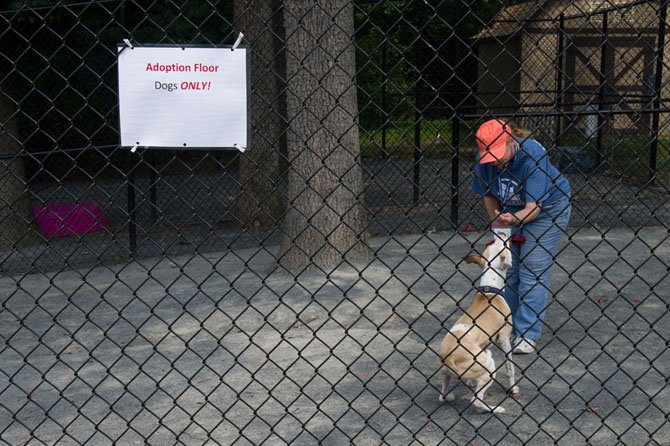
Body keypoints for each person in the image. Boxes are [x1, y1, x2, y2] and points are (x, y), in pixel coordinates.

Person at [471, 119, 571, 354]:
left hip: (547, 210)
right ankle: (506, 325)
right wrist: (499, 228)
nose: (494, 161)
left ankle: (527, 333)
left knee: (532, 271)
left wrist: (513, 221)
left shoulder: (532, 154)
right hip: (510, 211)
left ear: (510, 140)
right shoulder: (484, 161)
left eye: (497, 153)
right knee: (509, 268)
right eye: (489, 155)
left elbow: (533, 207)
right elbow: (488, 195)